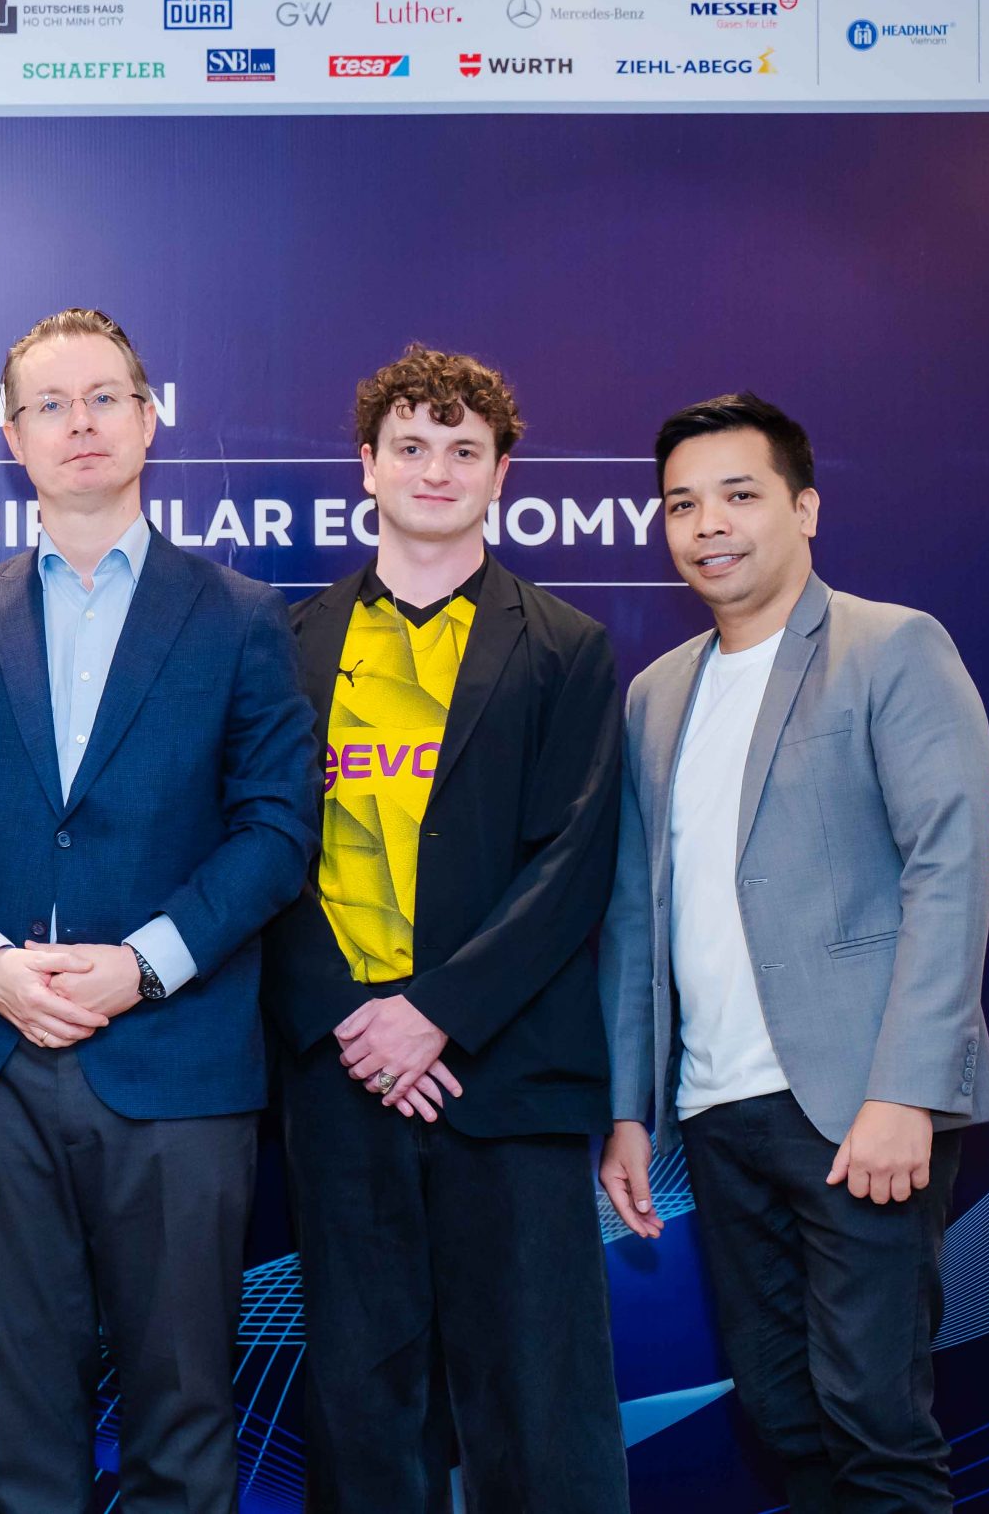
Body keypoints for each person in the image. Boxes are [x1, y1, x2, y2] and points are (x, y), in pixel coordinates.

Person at [0, 308, 315, 1512]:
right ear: (12, 436)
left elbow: (276, 830)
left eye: (103, 398)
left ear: (148, 418)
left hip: (176, 1061)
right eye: (50, 405)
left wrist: (144, 963)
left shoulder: (239, 614)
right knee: (22, 1423)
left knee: (184, 1418)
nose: (79, 424)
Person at [600, 393, 989, 1512]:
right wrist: (631, 1108)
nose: (709, 525)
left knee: (875, 1419)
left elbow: (948, 870)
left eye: (739, 495)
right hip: (718, 1114)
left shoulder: (891, 646)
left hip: (858, 1109)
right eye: (683, 504)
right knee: (783, 1415)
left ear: (805, 507)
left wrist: (906, 1091)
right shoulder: (653, 695)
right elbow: (636, 916)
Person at [260, 345, 628, 1511]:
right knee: (363, 1408)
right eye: (410, 446)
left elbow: (572, 863)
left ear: (500, 472)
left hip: (506, 1076)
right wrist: (353, 1020)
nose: (435, 469)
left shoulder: (565, 646)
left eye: (463, 450)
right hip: (341, 1078)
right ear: (366, 466)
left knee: (538, 1403)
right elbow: (262, 852)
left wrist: (435, 1015)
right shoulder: (285, 645)